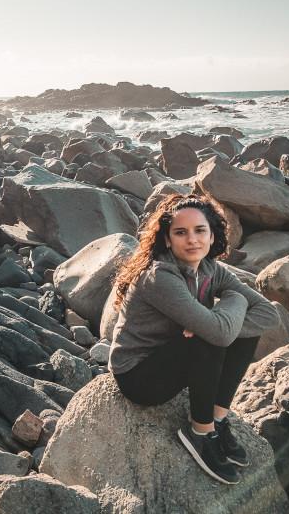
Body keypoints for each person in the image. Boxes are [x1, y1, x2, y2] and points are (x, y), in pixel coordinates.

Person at [108, 193, 279, 485]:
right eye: (180, 232)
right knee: (211, 336)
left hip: (172, 358)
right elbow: (219, 332)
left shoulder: (212, 269)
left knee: (239, 334)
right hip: (139, 375)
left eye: (200, 230)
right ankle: (199, 432)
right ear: (167, 240)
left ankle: (218, 418)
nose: (192, 239)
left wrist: (219, 318)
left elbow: (268, 314)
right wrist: (232, 303)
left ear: (212, 236)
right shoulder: (160, 277)